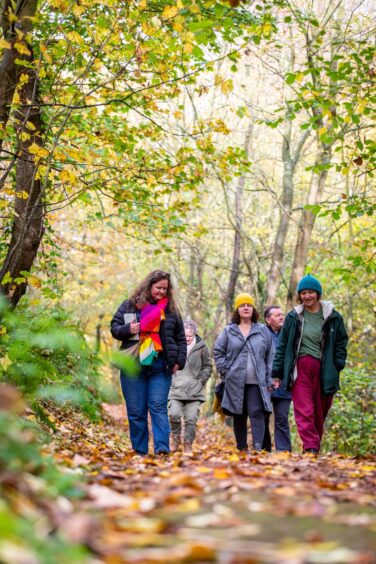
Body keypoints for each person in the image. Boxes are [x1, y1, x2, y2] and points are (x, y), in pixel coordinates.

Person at [110, 270, 187, 456]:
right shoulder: (130, 305)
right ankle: (140, 451)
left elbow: (180, 338)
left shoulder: (171, 310)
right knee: (136, 411)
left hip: (160, 367)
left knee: (158, 406)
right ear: (149, 285)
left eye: (165, 289)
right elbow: (114, 328)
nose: (161, 291)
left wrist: (179, 361)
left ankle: (162, 449)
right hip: (133, 366)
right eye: (158, 287)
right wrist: (130, 329)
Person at [272, 274, 349, 455]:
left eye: (311, 292)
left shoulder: (333, 317)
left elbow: (341, 343)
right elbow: (282, 346)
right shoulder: (293, 317)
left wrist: (337, 364)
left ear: (318, 294)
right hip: (300, 369)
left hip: (325, 370)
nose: (307, 296)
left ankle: (314, 445)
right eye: (303, 293)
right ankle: (310, 447)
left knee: (320, 411)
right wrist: (277, 372)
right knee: (304, 410)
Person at [213, 293, 274, 452]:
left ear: (253, 308)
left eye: (248, 305)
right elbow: (218, 351)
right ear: (237, 309)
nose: (245, 308)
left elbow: (270, 356)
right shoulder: (229, 331)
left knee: (256, 412)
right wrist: (225, 370)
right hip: (234, 381)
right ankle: (242, 448)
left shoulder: (262, 330)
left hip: (257, 381)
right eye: (242, 305)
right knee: (238, 414)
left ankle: (258, 447)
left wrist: (270, 379)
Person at [168, 320, 212, 455]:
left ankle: (188, 444)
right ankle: (175, 439)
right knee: (174, 414)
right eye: (185, 336)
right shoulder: (174, 345)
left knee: (191, 419)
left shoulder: (202, 347)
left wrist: (200, 381)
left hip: (195, 390)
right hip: (176, 388)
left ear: (195, 334)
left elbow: (207, 366)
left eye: (190, 336)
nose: (187, 339)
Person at [262, 305, 292, 452]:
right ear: (268, 320)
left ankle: (284, 451)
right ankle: (264, 450)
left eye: (282, 314)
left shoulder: (288, 334)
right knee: (263, 419)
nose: (282, 317)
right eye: (277, 315)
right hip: (263, 385)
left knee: (281, 419)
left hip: (284, 385)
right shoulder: (260, 334)